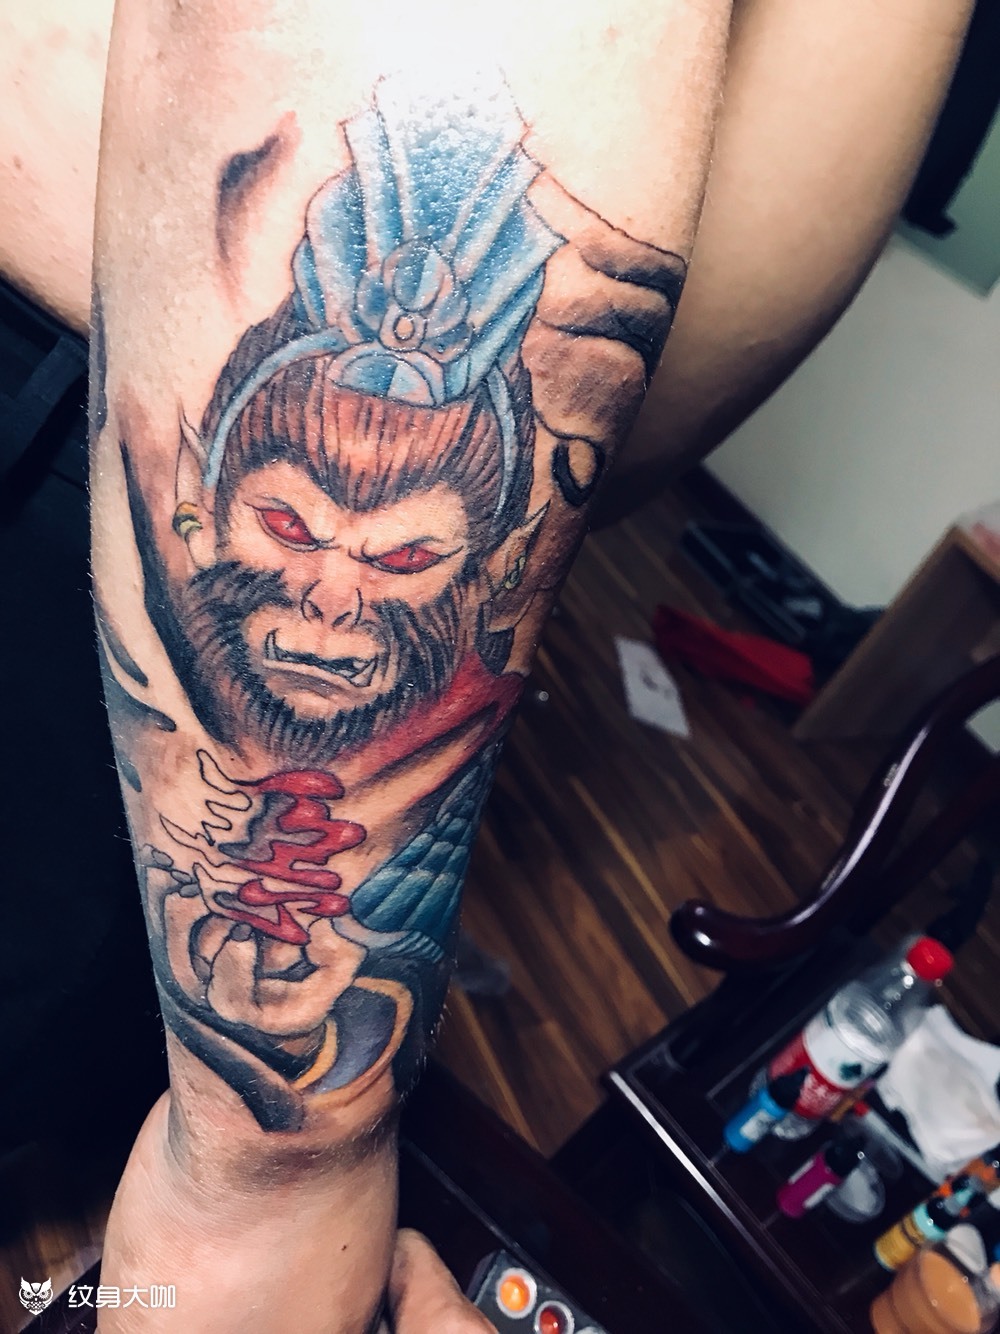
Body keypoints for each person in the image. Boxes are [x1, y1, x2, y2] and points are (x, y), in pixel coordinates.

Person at [0, 1, 974, 1330]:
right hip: (69, 448)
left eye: (397, 556)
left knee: (90, 1034)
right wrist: (276, 1166)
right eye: (294, 528)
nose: (335, 593)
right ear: (212, 504)